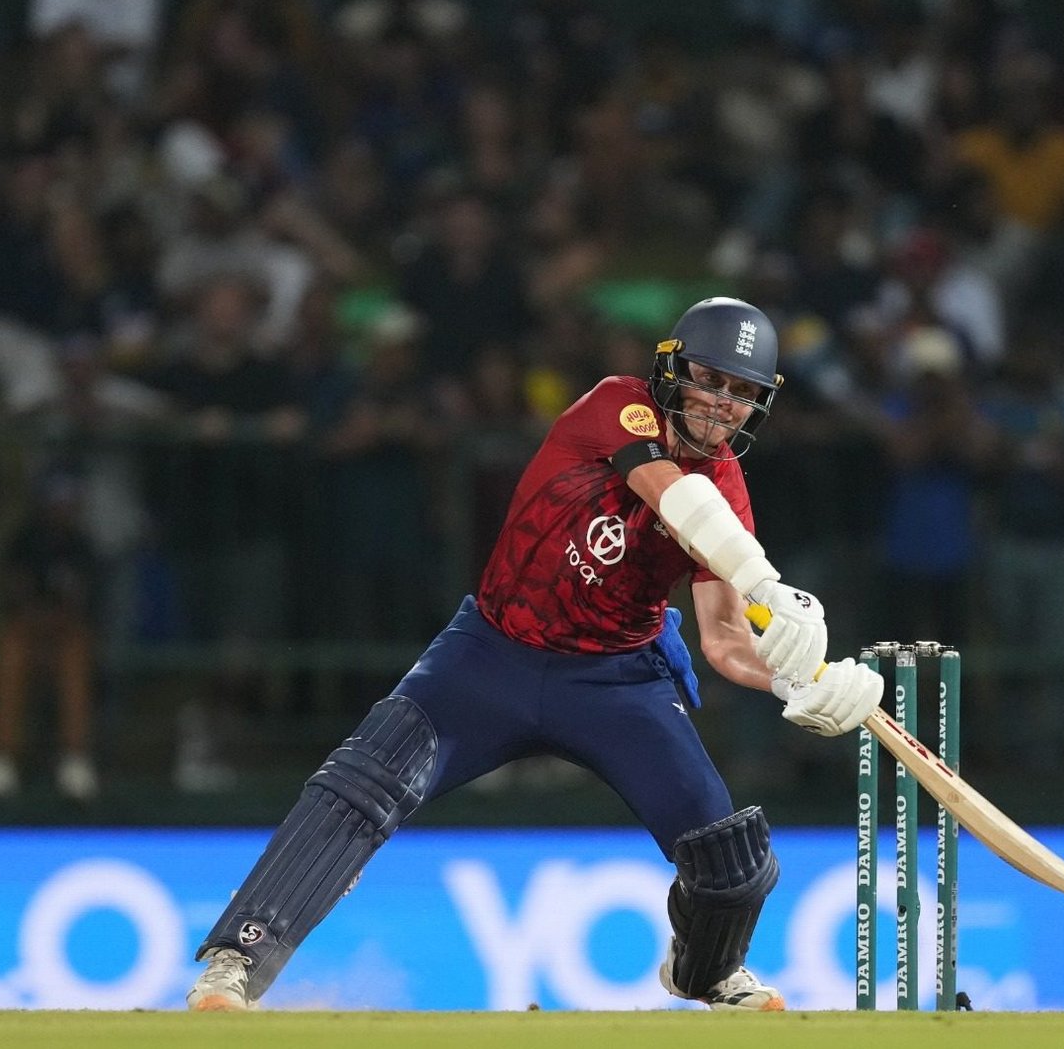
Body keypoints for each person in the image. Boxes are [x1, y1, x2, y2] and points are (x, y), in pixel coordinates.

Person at [186, 297, 884, 1012]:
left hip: (619, 681)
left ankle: (705, 971)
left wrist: (799, 680)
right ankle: (236, 960)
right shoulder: (619, 405)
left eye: (740, 391)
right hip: (491, 657)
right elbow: (676, 499)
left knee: (730, 862)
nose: (721, 403)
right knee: (357, 786)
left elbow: (727, 643)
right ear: (672, 371)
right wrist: (764, 579)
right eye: (710, 379)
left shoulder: (728, 489)